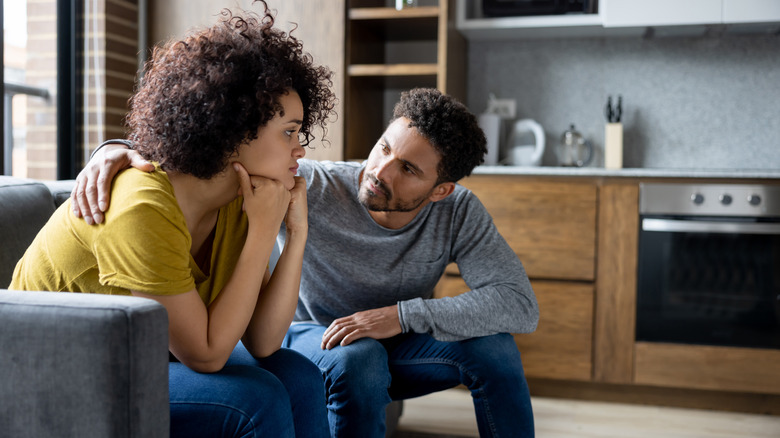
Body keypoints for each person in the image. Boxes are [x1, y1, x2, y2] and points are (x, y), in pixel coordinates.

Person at [74, 88, 540, 438]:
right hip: (312, 336)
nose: (381, 171)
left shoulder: (459, 212)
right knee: (359, 358)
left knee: (495, 349)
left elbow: (519, 305)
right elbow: (202, 155)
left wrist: (399, 317)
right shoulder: (315, 185)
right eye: (384, 148)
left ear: (441, 191)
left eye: (409, 170)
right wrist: (112, 149)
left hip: (398, 339)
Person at [10, 3, 336, 438]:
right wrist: (262, 230)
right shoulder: (141, 204)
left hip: (143, 352)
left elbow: (264, 341)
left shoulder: (240, 201)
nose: (300, 149)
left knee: (300, 377)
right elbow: (206, 355)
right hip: (52, 366)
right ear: (233, 127)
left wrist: (295, 234)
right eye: (289, 132)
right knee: (255, 400)